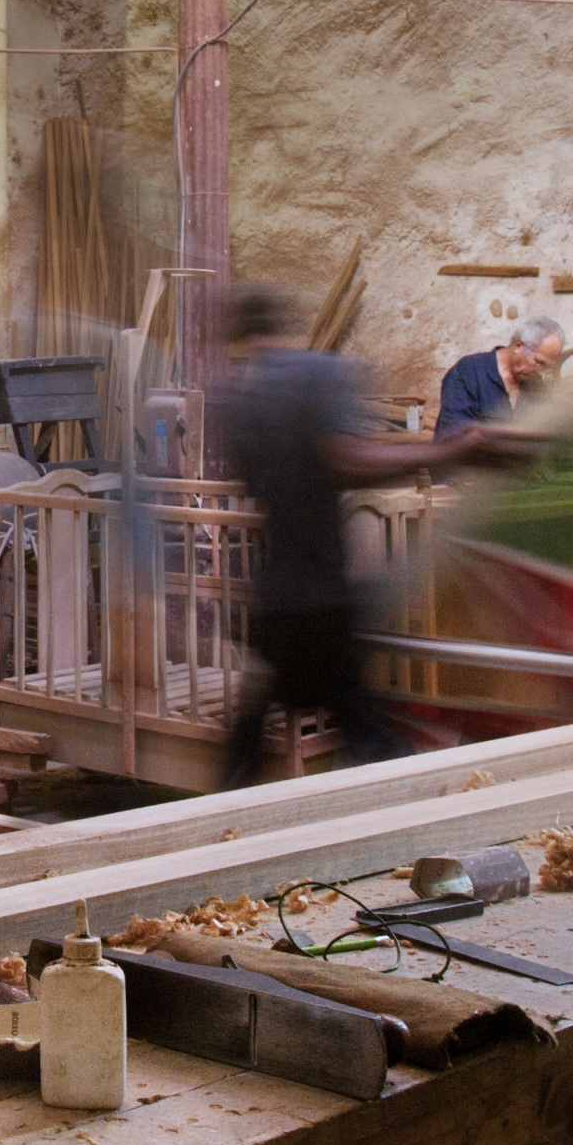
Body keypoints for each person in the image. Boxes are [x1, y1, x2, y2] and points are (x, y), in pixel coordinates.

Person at [213, 282, 527, 784]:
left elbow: (259, 479)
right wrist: (454, 449)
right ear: (286, 324)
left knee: (258, 731)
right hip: (321, 594)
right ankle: (420, 807)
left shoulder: (235, 399)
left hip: (276, 597)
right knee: (363, 729)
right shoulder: (317, 373)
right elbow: (346, 460)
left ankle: (221, 821)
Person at [436, 314, 564, 437]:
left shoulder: (536, 386)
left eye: (546, 366)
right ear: (518, 346)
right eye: (539, 362)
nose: (540, 371)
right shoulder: (469, 372)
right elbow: (451, 437)